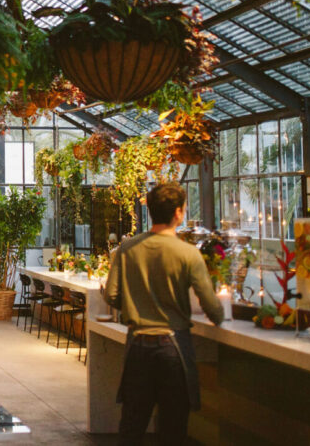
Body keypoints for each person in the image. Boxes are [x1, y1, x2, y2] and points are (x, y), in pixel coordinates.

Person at [104, 182, 224, 446]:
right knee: (172, 429)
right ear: (179, 213)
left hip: (137, 347)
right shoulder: (188, 253)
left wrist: (135, 306)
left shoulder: (127, 249)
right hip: (173, 349)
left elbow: (111, 295)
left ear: (150, 212)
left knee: (132, 427)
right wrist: (219, 314)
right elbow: (212, 307)